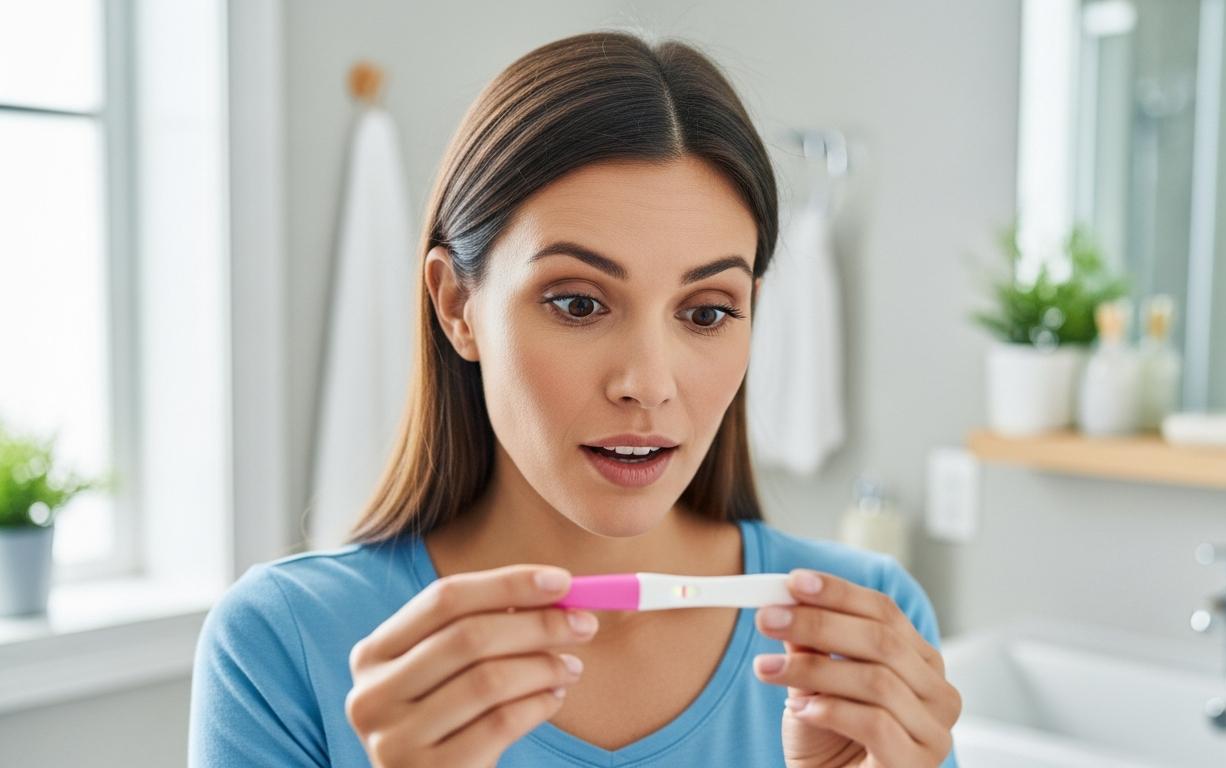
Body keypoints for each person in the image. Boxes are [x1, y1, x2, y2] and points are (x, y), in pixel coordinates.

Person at [189, 29, 961, 767]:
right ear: (457, 305)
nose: (649, 385)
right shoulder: (284, 642)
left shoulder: (859, 629)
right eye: (578, 304)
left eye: (707, 313)